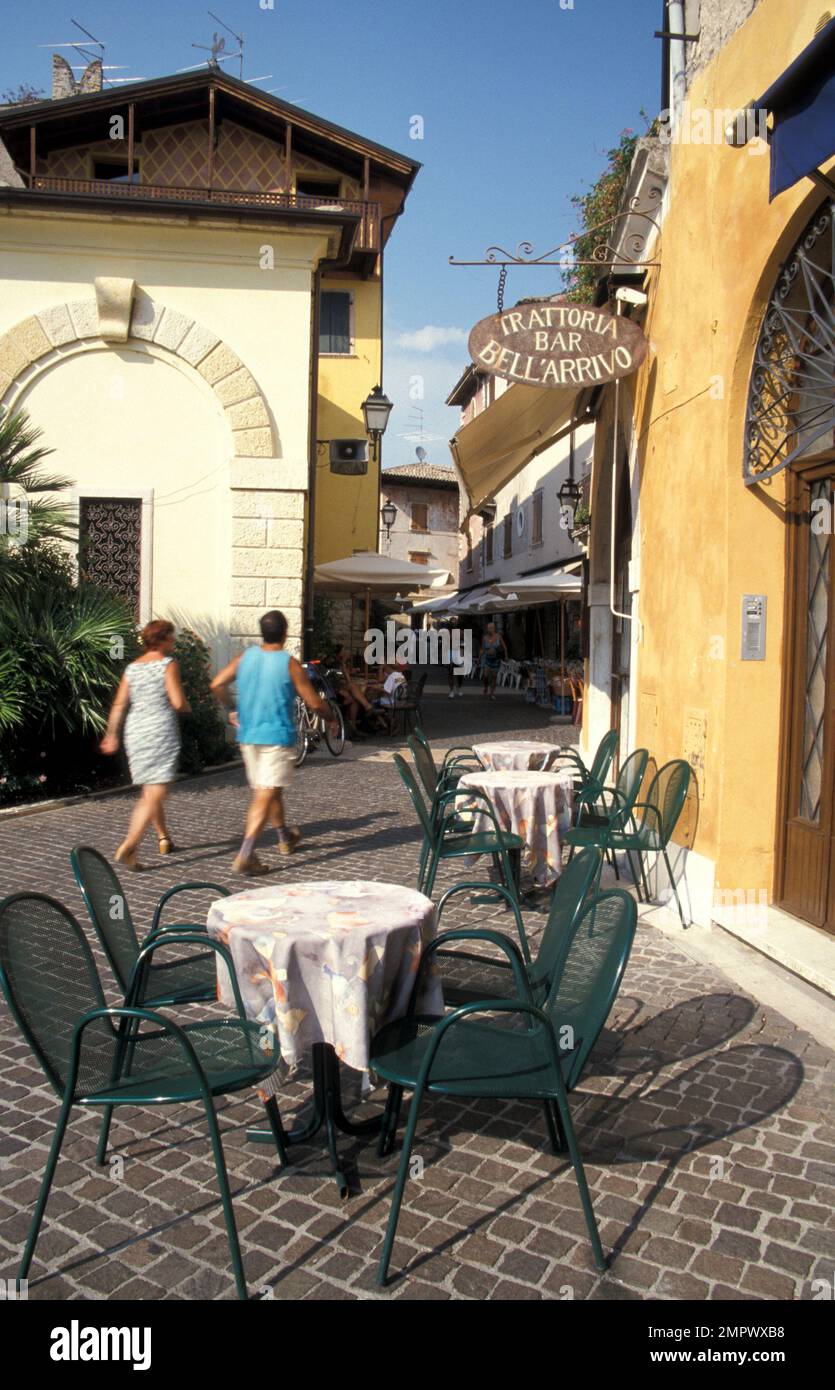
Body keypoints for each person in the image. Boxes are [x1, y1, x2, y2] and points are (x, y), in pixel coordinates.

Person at [211, 609, 338, 875]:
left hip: (248, 737)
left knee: (271, 790)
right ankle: (246, 854)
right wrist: (331, 717)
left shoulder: (244, 657)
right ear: (285, 632)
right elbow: (314, 702)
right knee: (265, 793)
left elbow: (217, 684)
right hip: (276, 737)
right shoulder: (288, 664)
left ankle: (284, 837)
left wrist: (233, 709)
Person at [100, 619, 190, 870]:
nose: (173, 641)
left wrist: (111, 734)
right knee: (156, 790)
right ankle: (131, 843)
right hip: (160, 730)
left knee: (150, 789)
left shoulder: (132, 668)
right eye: (171, 637)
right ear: (162, 640)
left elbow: (119, 704)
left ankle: (164, 838)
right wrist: (187, 706)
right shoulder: (167, 664)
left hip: (135, 730)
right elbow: (177, 701)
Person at [481, 622, 507, 699]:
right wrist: (479, 658)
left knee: (494, 676)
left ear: (494, 628)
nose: (490, 629)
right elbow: (482, 649)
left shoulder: (499, 637)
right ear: (487, 629)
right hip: (487, 659)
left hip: (496, 659)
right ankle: (486, 687)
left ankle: (492, 693)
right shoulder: (485, 637)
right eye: (489, 628)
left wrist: (506, 656)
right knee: (485, 676)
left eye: (492, 628)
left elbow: (504, 647)